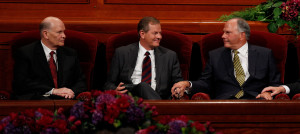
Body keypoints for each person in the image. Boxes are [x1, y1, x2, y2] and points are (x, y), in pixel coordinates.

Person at [171, 18, 281, 100]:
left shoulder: (264, 54)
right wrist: (187, 84)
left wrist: (268, 94)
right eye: (224, 32)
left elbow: (275, 84)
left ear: (242, 35)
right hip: (224, 104)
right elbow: (205, 83)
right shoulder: (216, 55)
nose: (223, 36)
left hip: (256, 102)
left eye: (228, 32)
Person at [104, 16, 183, 99]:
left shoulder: (169, 56)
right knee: (143, 86)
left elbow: (178, 82)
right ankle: (159, 109)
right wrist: (114, 89)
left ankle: (156, 106)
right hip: (129, 98)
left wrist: (178, 89)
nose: (159, 37)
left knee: (144, 86)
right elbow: (108, 84)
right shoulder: (122, 53)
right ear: (142, 34)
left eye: (160, 33)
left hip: (158, 96)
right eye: (155, 33)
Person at [12, 16, 86, 100]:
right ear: (45, 34)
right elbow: (21, 84)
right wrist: (52, 91)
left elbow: (81, 82)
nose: (64, 36)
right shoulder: (26, 53)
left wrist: (71, 92)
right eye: (59, 32)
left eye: (64, 32)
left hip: (66, 101)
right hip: (38, 101)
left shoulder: (71, 53)